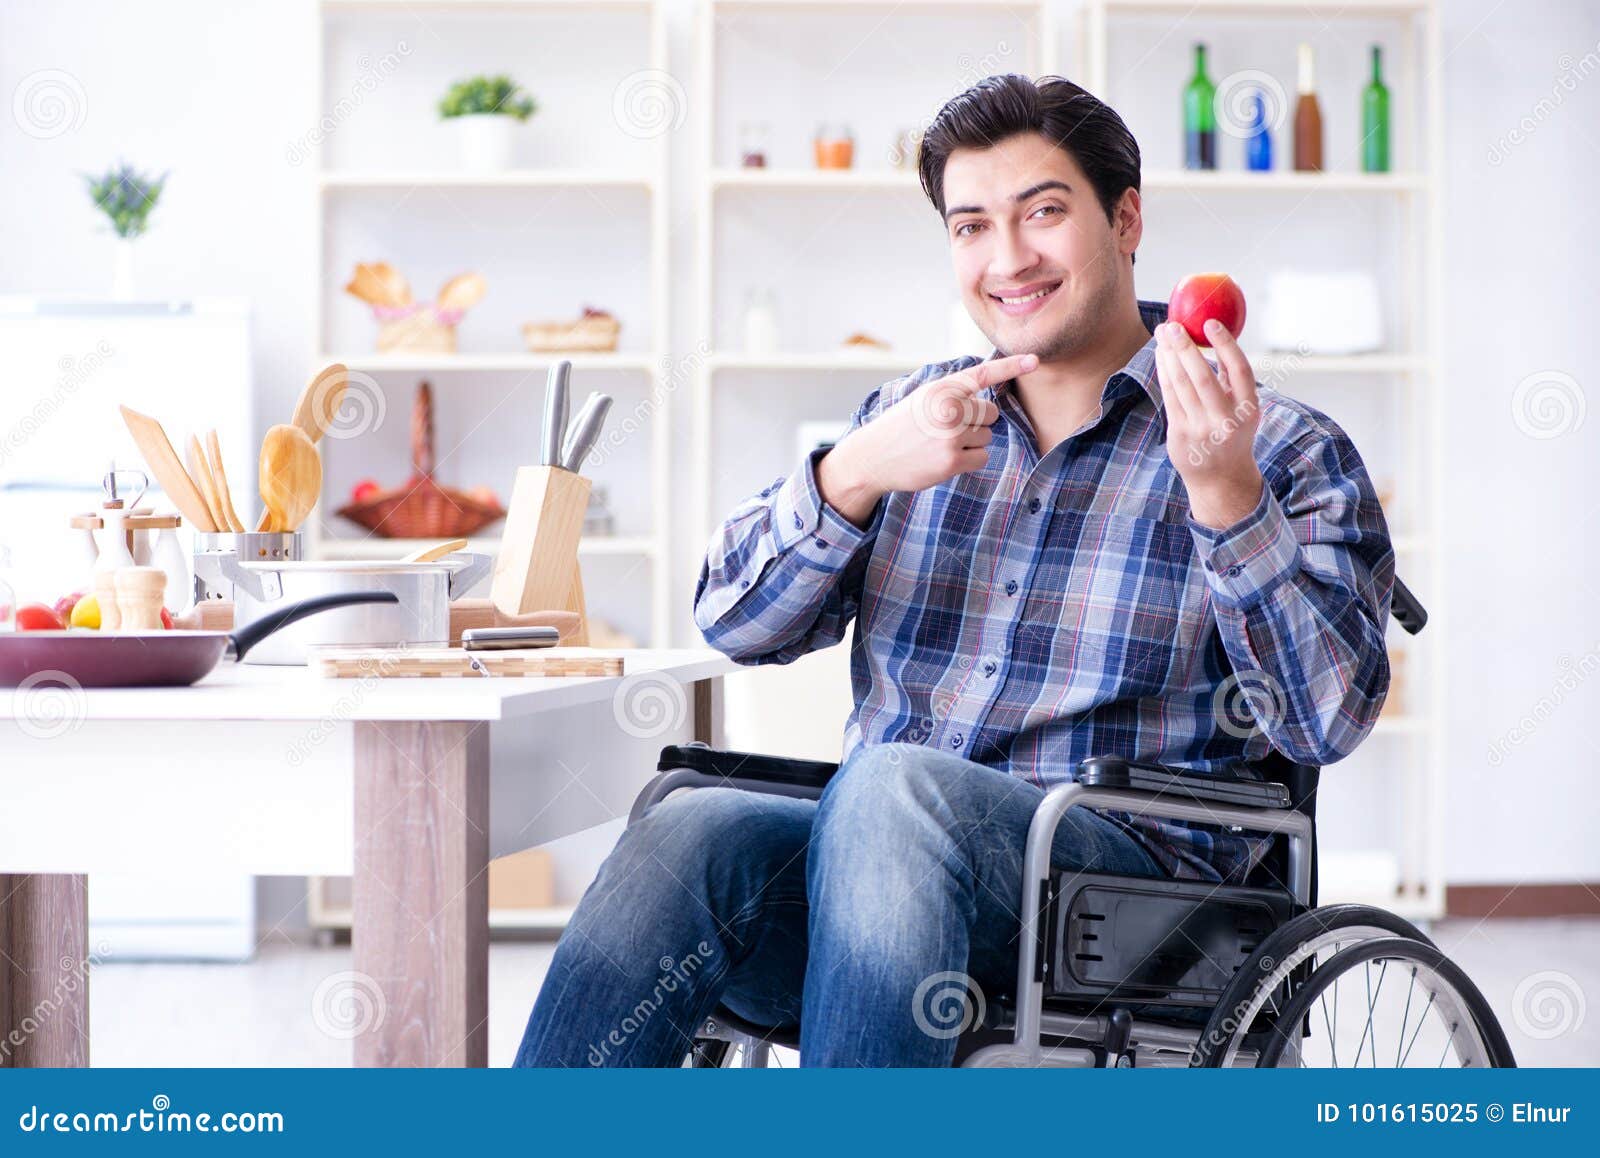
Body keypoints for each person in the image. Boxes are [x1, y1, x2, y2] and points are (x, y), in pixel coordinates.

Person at [515, 73, 1393, 1068]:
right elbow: (733, 622)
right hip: (878, 905)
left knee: (894, 792)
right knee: (690, 833)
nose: (1007, 258)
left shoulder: (1275, 445)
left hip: (1136, 916)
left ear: (1126, 218)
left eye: (1044, 213)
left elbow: (1325, 720)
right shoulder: (911, 420)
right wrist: (851, 476)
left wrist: (1225, 496)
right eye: (970, 226)